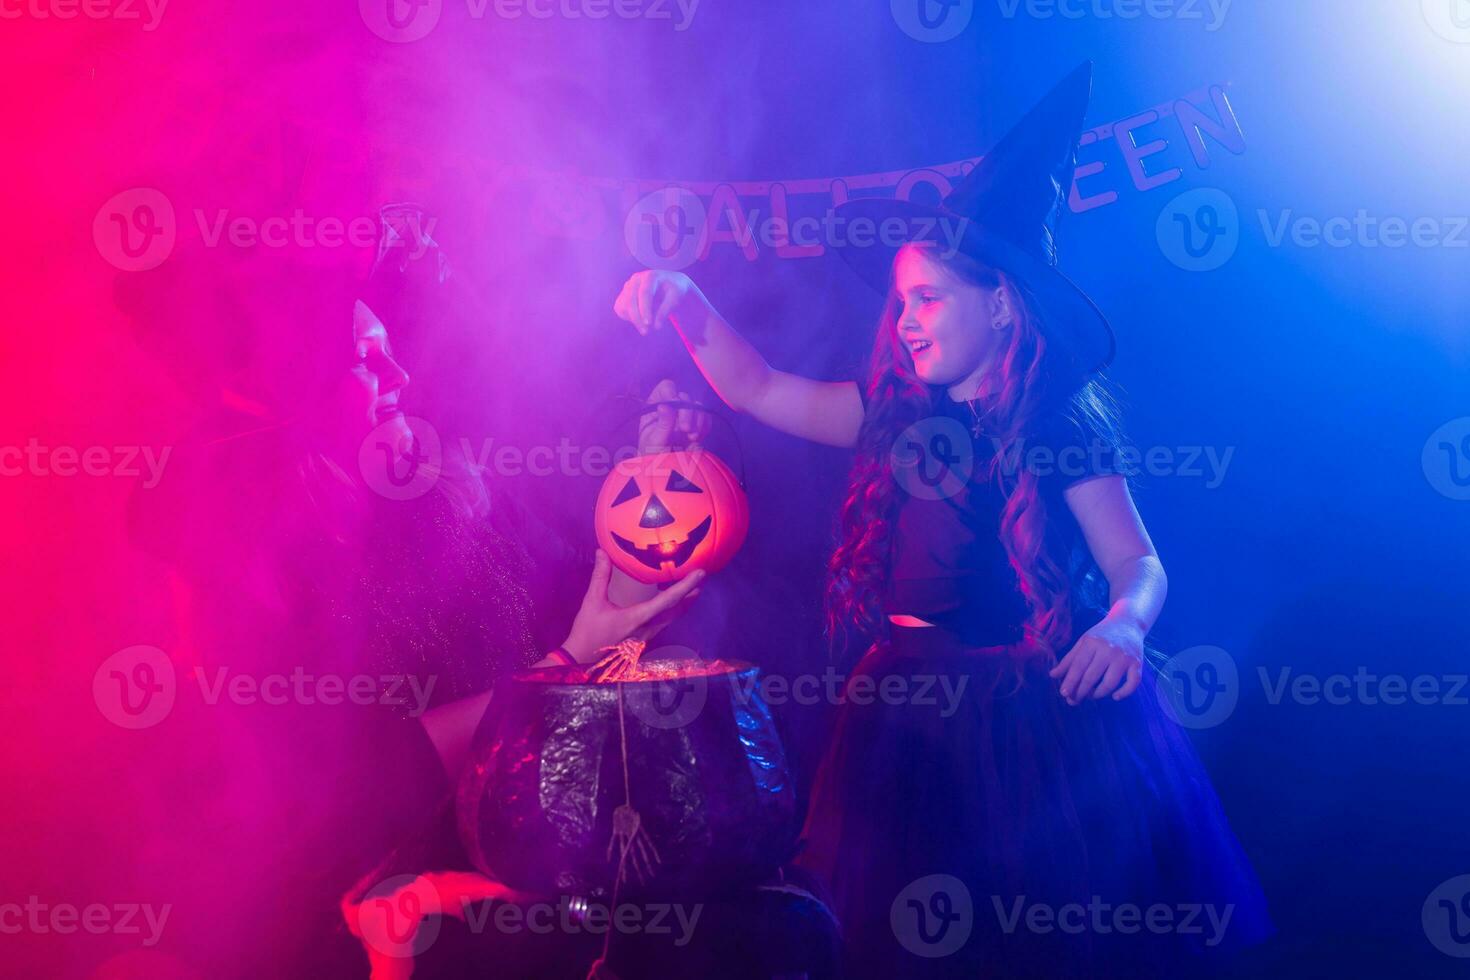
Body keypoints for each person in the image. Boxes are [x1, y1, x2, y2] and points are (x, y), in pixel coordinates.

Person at [612, 62, 1271, 977]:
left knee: (1037, 937)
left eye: (929, 300)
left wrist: (1123, 629)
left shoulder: (1055, 425)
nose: (907, 320)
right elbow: (760, 386)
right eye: (902, 302)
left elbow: (1139, 564)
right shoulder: (893, 417)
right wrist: (686, 300)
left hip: (1037, 715)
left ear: (1000, 305)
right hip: (906, 712)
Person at [120, 245, 706, 976]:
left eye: (392, 351)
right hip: (363, 915)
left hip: (516, 869)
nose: (400, 375)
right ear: (295, 383)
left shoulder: (442, 494)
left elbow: (587, 622)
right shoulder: (255, 567)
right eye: (367, 360)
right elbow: (364, 780)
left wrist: (649, 488)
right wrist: (561, 667)